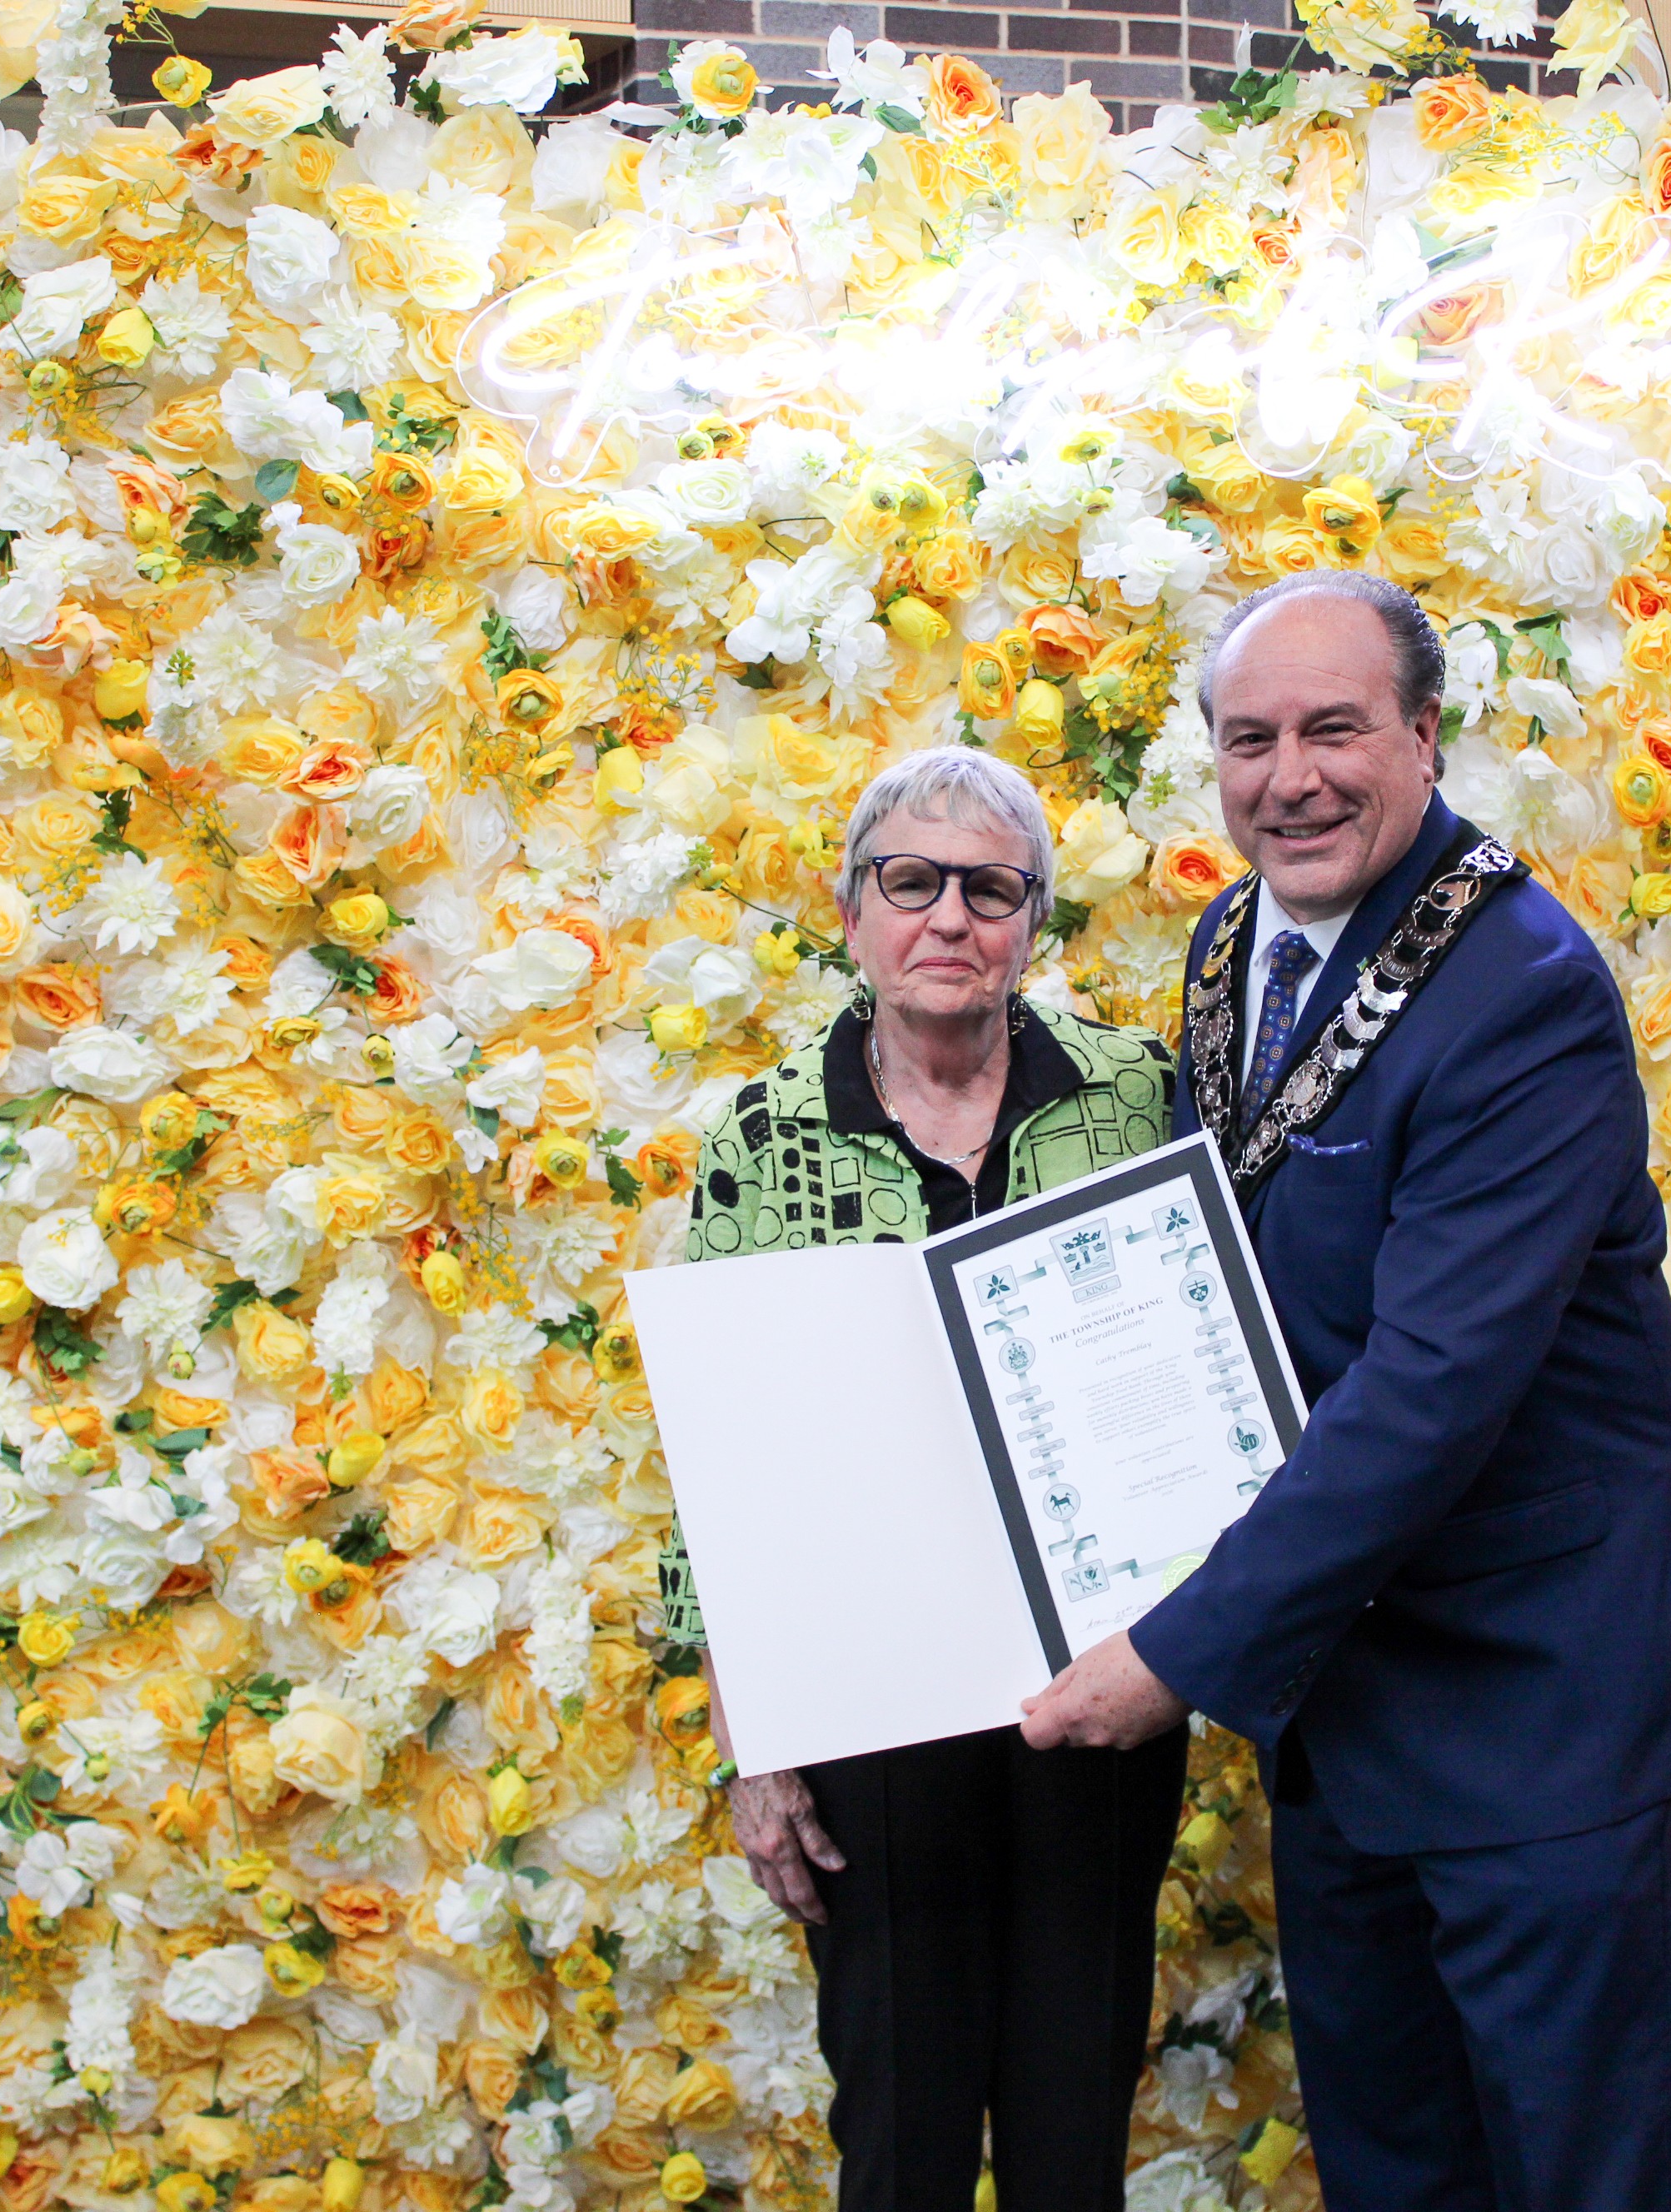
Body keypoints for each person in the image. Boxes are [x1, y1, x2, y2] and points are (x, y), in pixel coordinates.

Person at [1021, 572, 1671, 2210]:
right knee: (1390, 2164)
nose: (1289, 774)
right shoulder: (1233, 940)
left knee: (1570, 2172)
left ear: (1422, 737)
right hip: (1345, 1690)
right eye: (1249, 737)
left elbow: (1431, 1384)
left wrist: (1170, 1646)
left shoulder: (1527, 994)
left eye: (1333, 728)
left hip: (1538, 1699)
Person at [671, 748, 1188, 2212]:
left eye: (991, 888)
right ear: (854, 913)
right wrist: (754, 1742)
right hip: (870, 1711)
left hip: (1103, 1688)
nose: (950, 916)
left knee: (1073, 2124)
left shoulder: (1142, 1098)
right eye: (912, 882)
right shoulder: (767, 1139)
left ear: (1034, 923)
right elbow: (725, 1461)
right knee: (896, 2131)